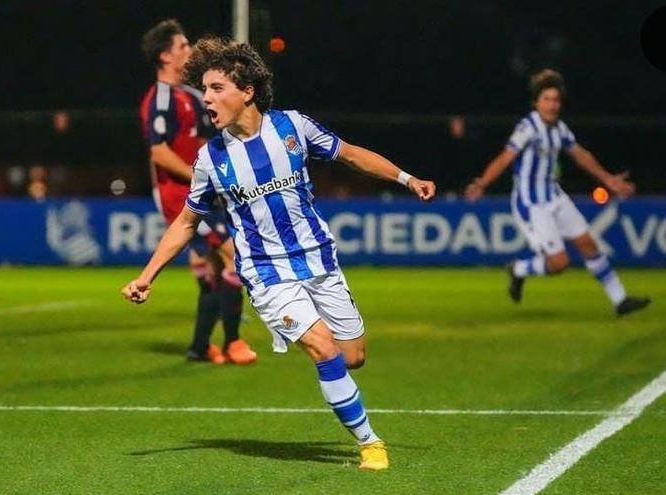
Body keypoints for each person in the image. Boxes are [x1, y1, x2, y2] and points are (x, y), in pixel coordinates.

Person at [122, 37, 436, 470]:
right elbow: (185, 223)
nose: (207, 99)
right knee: (324, 350)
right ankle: (370, 442)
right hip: (267, 275)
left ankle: (341, 394)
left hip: (318, 260)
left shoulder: (292, 127)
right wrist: (147, 275)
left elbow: (349, 155)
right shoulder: (210, 159)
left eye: (216, 89)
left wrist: (407, 178)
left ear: (247, 91)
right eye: (205, 89)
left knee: (352, 357)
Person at [465, 69, 650, 316]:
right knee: (560, 263)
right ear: (536, 103)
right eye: (547, 99)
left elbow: (581, 155)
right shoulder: (528, 127)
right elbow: (505, 157)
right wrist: (482, 183)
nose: (552, 105)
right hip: (532, 203)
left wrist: (609, 180)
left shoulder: (559, 129)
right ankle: (518, 269)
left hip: (555, 196)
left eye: (556, 100)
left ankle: (620, 300)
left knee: (588, 244)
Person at [140, 20, 255, 365]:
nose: (189, 51)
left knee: (214, 270)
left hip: (205, 194)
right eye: (182, 47)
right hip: (181, 197)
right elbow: (158, 152)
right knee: (234, 255)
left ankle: (201, 346)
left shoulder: (191, 95)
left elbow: (207, 140)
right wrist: (200, 176)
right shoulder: (159, 99)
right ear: (165, 56)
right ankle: (233, 341)